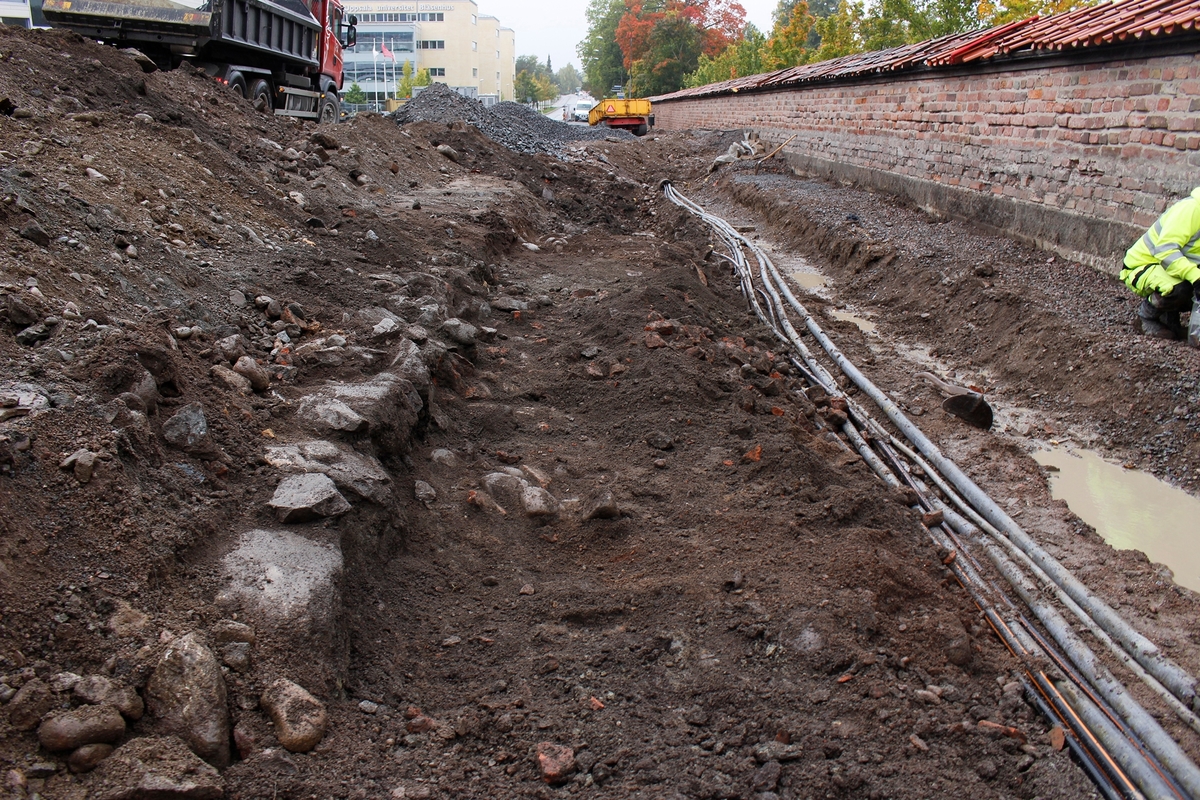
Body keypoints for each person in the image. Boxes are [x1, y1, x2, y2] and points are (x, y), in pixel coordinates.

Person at [1121, 187, 1200, 339]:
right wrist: (1196, 277)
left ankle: (1169, 318)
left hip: (1172, 268)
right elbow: (1166, 251)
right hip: (1144, 266)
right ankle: (1146, 317)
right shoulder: (1191, 209)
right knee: (1181, 288)